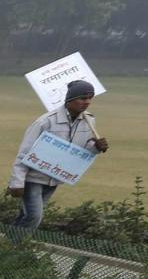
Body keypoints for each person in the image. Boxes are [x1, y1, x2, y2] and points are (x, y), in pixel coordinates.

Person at [9, 78, 107, 239]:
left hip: (55, 179)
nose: (87, 102)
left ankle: (4, 246)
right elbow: (24, 152)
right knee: (34, 216)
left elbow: (81, 151)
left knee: (26, 216)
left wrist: (96, 148)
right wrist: (17, 182)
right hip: (33, 178)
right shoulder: (45, 121)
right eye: (83, 98)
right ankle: (15, 248)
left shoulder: (90, 121)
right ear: (70, 99)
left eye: (90, 98)